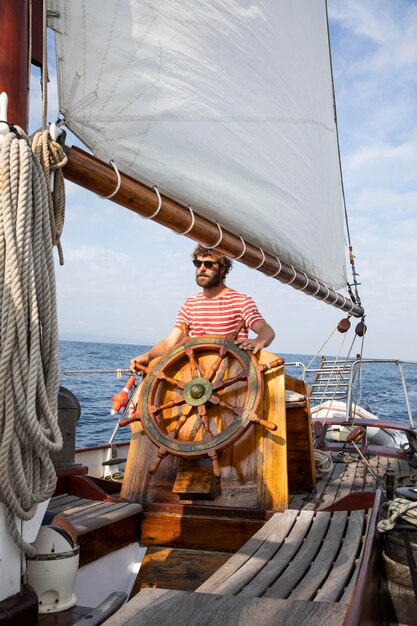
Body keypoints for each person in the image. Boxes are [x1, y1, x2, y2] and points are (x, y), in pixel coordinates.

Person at [130, 245, 275, 371]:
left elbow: (267, 331)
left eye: (208, 264)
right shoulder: (190, 304)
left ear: (223, 269)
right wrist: (147, 356)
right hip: (196, 376)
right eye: (197, 263)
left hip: (232, 373)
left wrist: (259, 341)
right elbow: (170, 342)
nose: (202, 268)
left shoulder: (241, 301)